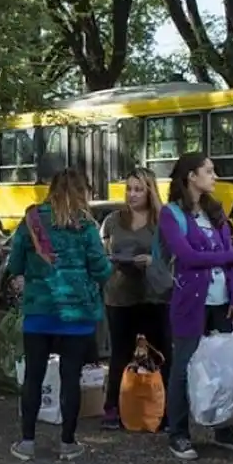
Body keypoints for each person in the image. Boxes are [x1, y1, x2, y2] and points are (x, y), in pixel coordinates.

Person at [5, 169, 112, 460]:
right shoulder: (86, 226)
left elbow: (14, 264)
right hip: (77, 315)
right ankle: (68, 443)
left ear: (51, 189)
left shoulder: (32, 221)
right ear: (82, 192)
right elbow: (102, 270)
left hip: (40, 311)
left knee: (34, 377)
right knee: (70, 378)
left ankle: (27, 442)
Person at [159, 152, 233, 460]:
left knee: (224, 368)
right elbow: (188, 257)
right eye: (209, 171)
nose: (214, 177)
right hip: (191, 302)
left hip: (222, 301)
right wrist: (227, 257)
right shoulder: (171, 214)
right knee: (184, 366)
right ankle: (179, 432)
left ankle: (224, 428)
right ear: (190, 176)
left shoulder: (217, 211)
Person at [101, 167, 169, 431]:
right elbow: (105, 249)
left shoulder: (163, 221)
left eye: (138, 189)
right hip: (120, 293)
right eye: (129, 188)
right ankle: (113, 408)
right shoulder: (116, 220)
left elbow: (173, 257)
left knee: (159, 353)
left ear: (150, 191)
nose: (132, 194)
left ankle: (161, 409)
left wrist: (153, 262)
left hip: (153, 295)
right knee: (120, 353)